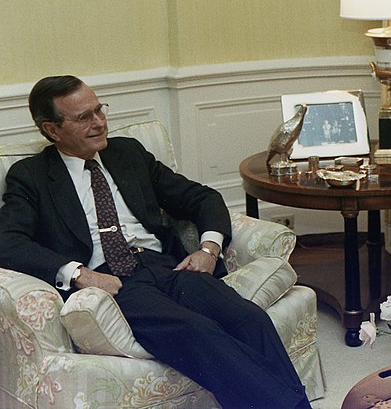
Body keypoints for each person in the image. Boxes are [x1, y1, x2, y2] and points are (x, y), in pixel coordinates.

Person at [0, 76, 311, 409]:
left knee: (250, 319)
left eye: (99, 110)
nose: (100, 123)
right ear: (52, 129)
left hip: (170, 266)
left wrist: (208, 249)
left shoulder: (127, 153)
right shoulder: (31, 175)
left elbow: (201, 198)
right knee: (198, 331)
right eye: (83, 118)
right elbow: (8, 240)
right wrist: (77, 274)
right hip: (114, 283)